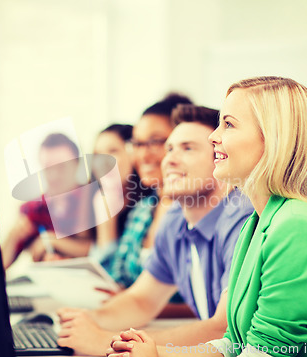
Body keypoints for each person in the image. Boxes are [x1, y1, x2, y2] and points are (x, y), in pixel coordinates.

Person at [108, 76, 307, 357]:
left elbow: (264, 352)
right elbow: (234, 343)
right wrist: (157, 353)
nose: (213, 137)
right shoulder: (256, 223)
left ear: (272, 138)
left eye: (229, 124)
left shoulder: (297, 226)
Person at [57, 104, 254, 356]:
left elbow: (225, 330)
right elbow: (142, 300)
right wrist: (87, 320)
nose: (168, 159)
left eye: (188, 148)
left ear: (220, 157)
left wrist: (105, 341)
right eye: (170, 148)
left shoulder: (242, 218)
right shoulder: (174, 220)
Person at [107, 93, 193, 288]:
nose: (143, 155)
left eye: (155, 142)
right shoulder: (142, 209)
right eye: (137, 144)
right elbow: (117, 276)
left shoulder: (198, 212)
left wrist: (127, 302)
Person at [1, 133, 94, 269]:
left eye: (61, 167)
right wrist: (13, 236)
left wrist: (53, 241)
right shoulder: (32, 210)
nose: (54, 175)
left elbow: (99, 249)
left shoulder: (93, 199)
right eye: (48, 168)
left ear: (76, 165)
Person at [89, 124, 151, 271]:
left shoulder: (149, 206)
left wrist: (107, 222)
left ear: (133, 153)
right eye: (98, 154)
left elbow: (110, 271)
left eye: (113, 151)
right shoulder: (98, 197)